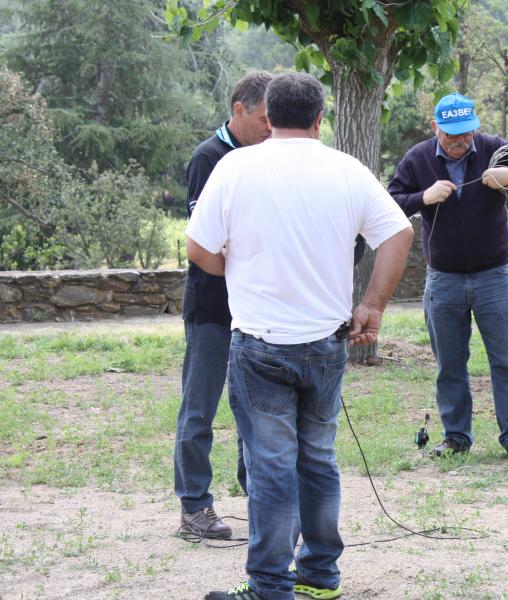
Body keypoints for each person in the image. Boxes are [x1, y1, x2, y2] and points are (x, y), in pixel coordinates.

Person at [186, 71, 413, 600]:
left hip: (259, 343)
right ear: (319, 118)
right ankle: (320, 576)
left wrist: (236, 270)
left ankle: (269, 586)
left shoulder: (235, 167)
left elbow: (198, 249)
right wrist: (372, 307)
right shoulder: (347, 169)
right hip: (327, 343)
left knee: (270, 468)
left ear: (268, 117)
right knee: (318, 459)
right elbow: (399, 234)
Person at [388, 92, 508, 461]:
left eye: (467, 133)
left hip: (494, 276)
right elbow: (390, 200)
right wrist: (423, 197)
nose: (461, 141)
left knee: (505, 360)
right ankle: (456, 438)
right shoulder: (417, 158)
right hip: (443, 280)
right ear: (435, 128)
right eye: (452, 135)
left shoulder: (494, 150)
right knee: (449, 363)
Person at [175, 71, 273, 540]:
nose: (271, 128)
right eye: (264, 119)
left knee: (254, 410)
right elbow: (205, 242)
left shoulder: (267, 157)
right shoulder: (208, 157)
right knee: (200, 410)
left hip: (256, 310)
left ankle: (259, 498)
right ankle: (194, 507)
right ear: (238, 110)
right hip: (213, 310)